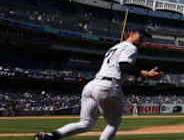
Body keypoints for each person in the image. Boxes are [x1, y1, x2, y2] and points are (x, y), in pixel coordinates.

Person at [34, 31, 162, 140]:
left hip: (92, 85)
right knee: (114, 123)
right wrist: (145, 74)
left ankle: (50, 136)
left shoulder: (115, 47)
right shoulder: (131, 47)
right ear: (132, 34)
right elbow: (124, 65)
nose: (143, 40)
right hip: (108, 85)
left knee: (85, 123)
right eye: (142, 36)